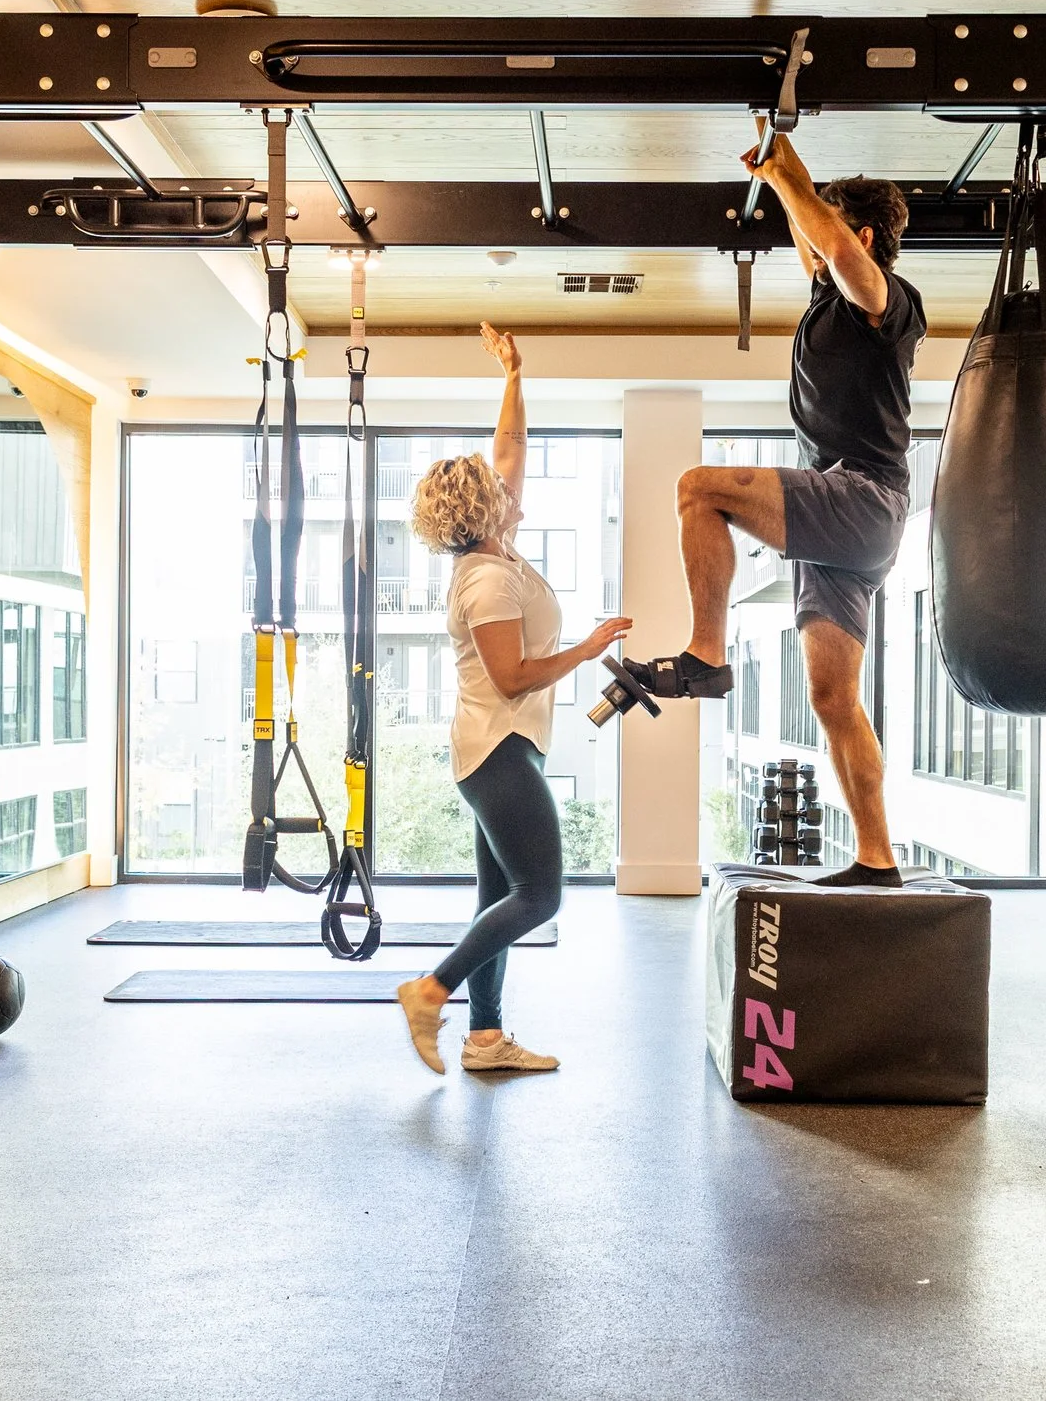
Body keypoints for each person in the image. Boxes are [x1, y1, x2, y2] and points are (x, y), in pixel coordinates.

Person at [629, 131, 925, 888]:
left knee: (699, 488)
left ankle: (706, 655)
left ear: (859, 239)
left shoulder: (881, 302)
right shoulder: (829, 293)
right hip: (851, 528)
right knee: (833, 696)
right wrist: (782, 164)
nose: (810, 244)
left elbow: (826, 237)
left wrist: (798, 186)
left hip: (862, 497)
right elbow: (810, 228)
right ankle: (877, 858)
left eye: (830, 232)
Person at [392, 322, 632, 1074]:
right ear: (483, 510)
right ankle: (431, 989)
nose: (512, 490)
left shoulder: (498, 551)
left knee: (498, 895)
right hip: (495, 753)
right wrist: (588, 649)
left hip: (492, 750)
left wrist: (514, 374)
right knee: (541, 894)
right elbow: (513, 677)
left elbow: (511, 448)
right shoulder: (488, 579)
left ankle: (486, 1038)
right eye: (499, 491)